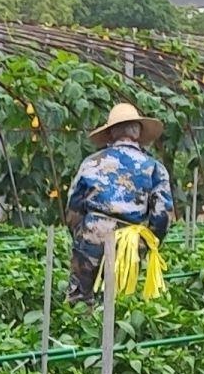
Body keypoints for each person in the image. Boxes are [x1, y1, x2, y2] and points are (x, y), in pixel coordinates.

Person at [64, 101, 172, 301]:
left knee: (80, 300)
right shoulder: (154, 168)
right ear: (138, 133)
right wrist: (147, 242)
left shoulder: (91, 163)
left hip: (92, 236)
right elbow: (162, 215)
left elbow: (73, 208)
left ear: (111, 133)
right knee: (121, 302)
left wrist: (84, 234)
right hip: (130, 244)